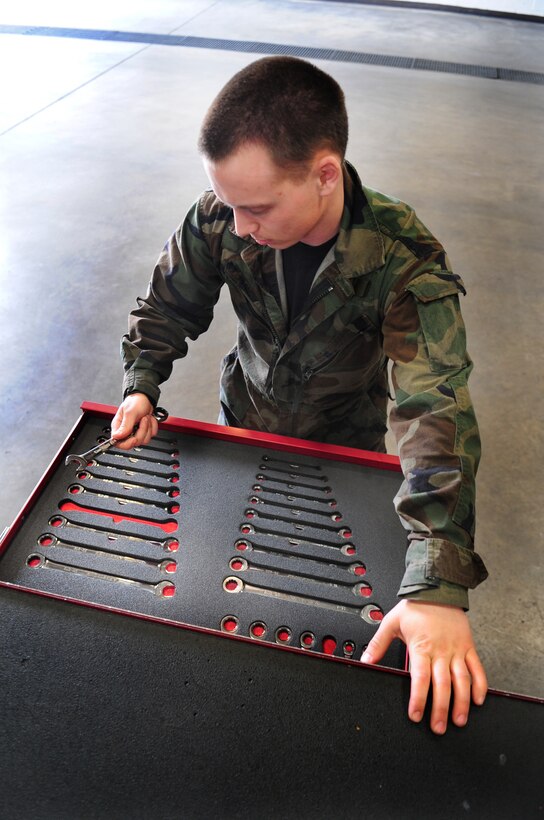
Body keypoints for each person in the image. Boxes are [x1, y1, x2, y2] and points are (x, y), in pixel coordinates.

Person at [111, 56, 488, 734]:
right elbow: (169, 301)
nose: (241, 225)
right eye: (229, 205)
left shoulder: (402, 260)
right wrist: (142, 384)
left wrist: (437, 576)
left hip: (341, 450)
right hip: (244, 425)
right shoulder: (226, 215)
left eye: (258, 208)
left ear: (324, 174)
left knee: (321, 620)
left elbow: (435, 408)